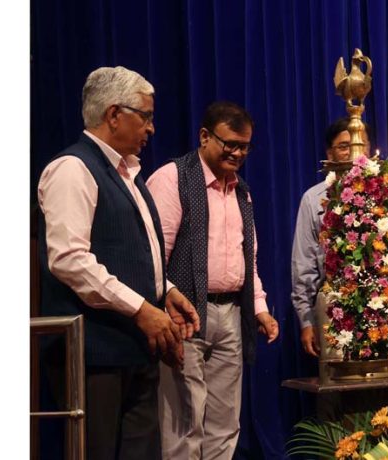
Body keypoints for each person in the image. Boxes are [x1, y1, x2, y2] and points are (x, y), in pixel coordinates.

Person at [37, 66, 200, 460]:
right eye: (145, 116)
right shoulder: (72, 169)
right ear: (114, 115)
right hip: (93, 356)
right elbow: (70, 260)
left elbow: (136, 252)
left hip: (134, 348)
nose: (152, 128)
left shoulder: (129, 174)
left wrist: (167, 292)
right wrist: (142, 308)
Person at [146, 101, 279, 459]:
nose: (237, 153)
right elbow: (154, 255)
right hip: (185, 316)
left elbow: (246, 260)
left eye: (244, 146)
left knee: (225, 422)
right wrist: (166, 301)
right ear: (204, 136)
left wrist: (259, 309)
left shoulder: (242, 191)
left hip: (231, 315)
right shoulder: (173, 178)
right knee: (185, 421)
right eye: (229, 144)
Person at [291, 119, 388, 361]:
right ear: (329, 154)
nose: (354, 152)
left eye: (360, 144)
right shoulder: (314, 199)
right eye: (344, 146)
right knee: (339, 390)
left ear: (371, 149)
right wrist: (307, 320)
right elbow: (304, 267)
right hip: (337, 310)